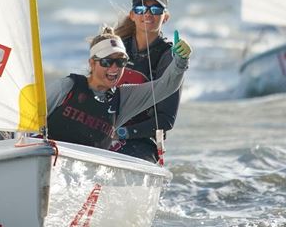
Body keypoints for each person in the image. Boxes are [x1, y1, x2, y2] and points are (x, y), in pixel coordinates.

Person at [45, 26, 191, 153]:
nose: (114, 68)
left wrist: (180, 61)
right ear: (92, 63)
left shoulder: (123, 99)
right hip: (51, 157)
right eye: (107, 61)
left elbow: (165, 86)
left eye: (121, 61)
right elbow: (30, 118)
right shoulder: (67, 86)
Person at [110, 0, 181, 162]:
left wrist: (122, 133)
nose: (147, 14)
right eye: (141, 9)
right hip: (103, 131)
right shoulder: (115, 47)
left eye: (156, 10)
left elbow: (166, 120)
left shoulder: (169, 57)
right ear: (132, 15)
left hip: (141, 141)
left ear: (165, 17)